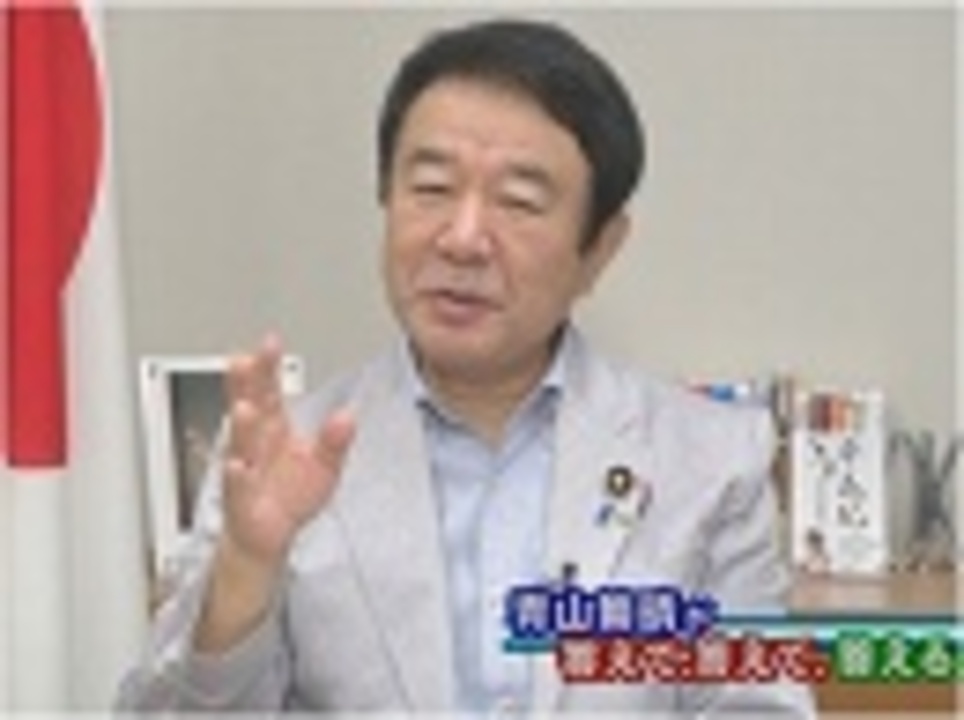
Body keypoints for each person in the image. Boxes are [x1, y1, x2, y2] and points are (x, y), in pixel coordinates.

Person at [118, 17, 816, 716]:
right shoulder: (281, 459)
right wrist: (245, 575)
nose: (462, 238)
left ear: (600, 248)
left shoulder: (712, 463)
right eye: (431, 187)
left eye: (519, 202)